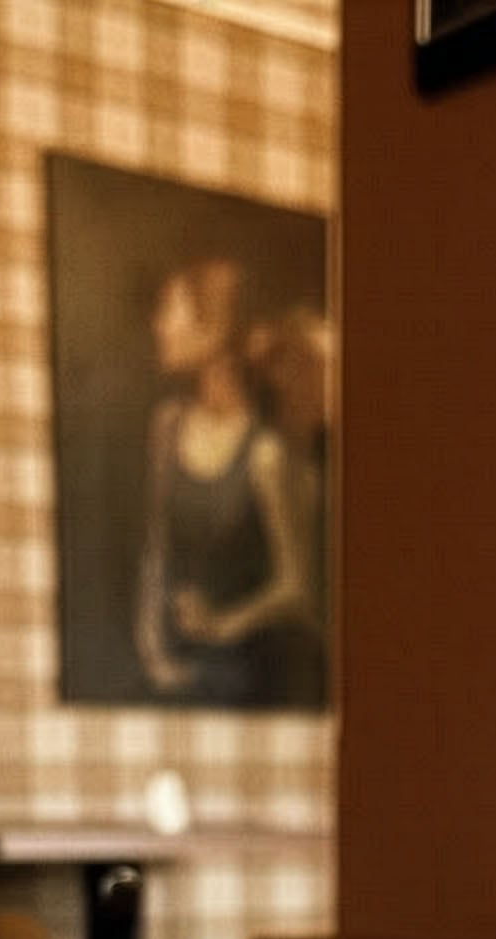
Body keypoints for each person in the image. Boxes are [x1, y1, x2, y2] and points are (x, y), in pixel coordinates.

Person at [134, 258, 323, 708]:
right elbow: (156, 547)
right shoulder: (168, 426)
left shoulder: (266, 455)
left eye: (171, 309)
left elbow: (297, 587)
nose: (159, 325)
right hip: (175, 668)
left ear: (214, 331)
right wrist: (151, 646)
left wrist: (223, 625)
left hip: (249, 677)